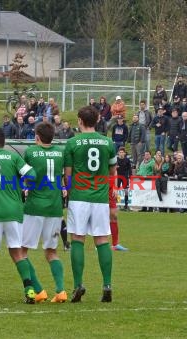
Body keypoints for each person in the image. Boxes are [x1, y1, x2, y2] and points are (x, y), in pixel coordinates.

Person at [0, 127, 37, 304]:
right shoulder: (13, 157)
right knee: (17, 252)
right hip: (14, 210)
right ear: (4, 142)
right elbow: (32, 175)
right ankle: (30, 290)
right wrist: (22, 185)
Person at [64, 105, 117, 303]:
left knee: (77, 239)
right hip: (100, 198)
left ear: (79, 120)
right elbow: (113, 172)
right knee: (102, 240)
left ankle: (78, 285)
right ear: (96, 121)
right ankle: (107, 284)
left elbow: (68, 175)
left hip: (79, 197)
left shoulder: (72, 142)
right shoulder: (107, 142)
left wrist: (69, 193)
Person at [22, 122, 67, 303]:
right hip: (55, 207)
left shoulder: (31, 152)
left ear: (37, 137)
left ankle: (39, 290)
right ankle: (61, 290)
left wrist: (27, 187)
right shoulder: (60, 153)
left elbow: (28, 178)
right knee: (51, 252)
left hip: (34, 207)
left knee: (21, 252)